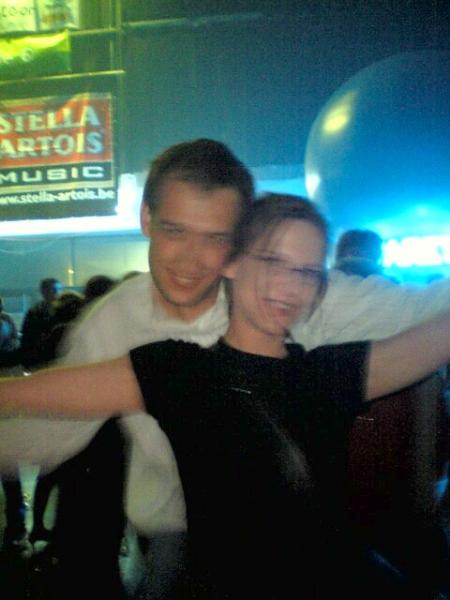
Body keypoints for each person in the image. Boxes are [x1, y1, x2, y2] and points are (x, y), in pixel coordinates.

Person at [0, 140, 450, 595]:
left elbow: (424, 314)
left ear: (233, 249)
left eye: (214, 238)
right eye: (175, 231)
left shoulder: (314, 338)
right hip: (181, 542)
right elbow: (45, 423)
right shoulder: (154, 352)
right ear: (147, 219)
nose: (191, 260)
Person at [20, 278, 62, 370]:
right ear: (44, 291)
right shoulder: (34, 313)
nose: (57, 292)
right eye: (54, 289)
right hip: (44, 358)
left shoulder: (34, 312)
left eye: (58, 289)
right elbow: (27, 338)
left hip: (49, 358)